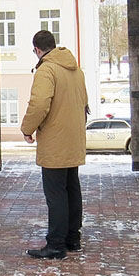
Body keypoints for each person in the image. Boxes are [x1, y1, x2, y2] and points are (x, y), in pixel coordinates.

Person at [20, 29, 89, 259]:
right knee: (72, 189)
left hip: (55, 140)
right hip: (73, 138)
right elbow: (84, 102)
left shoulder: (46, 69)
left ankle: (56, 244)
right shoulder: (75, 70)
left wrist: (27, 128)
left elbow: (39, 104)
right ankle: (73, 239)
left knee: (56, 194)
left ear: (37, 50)